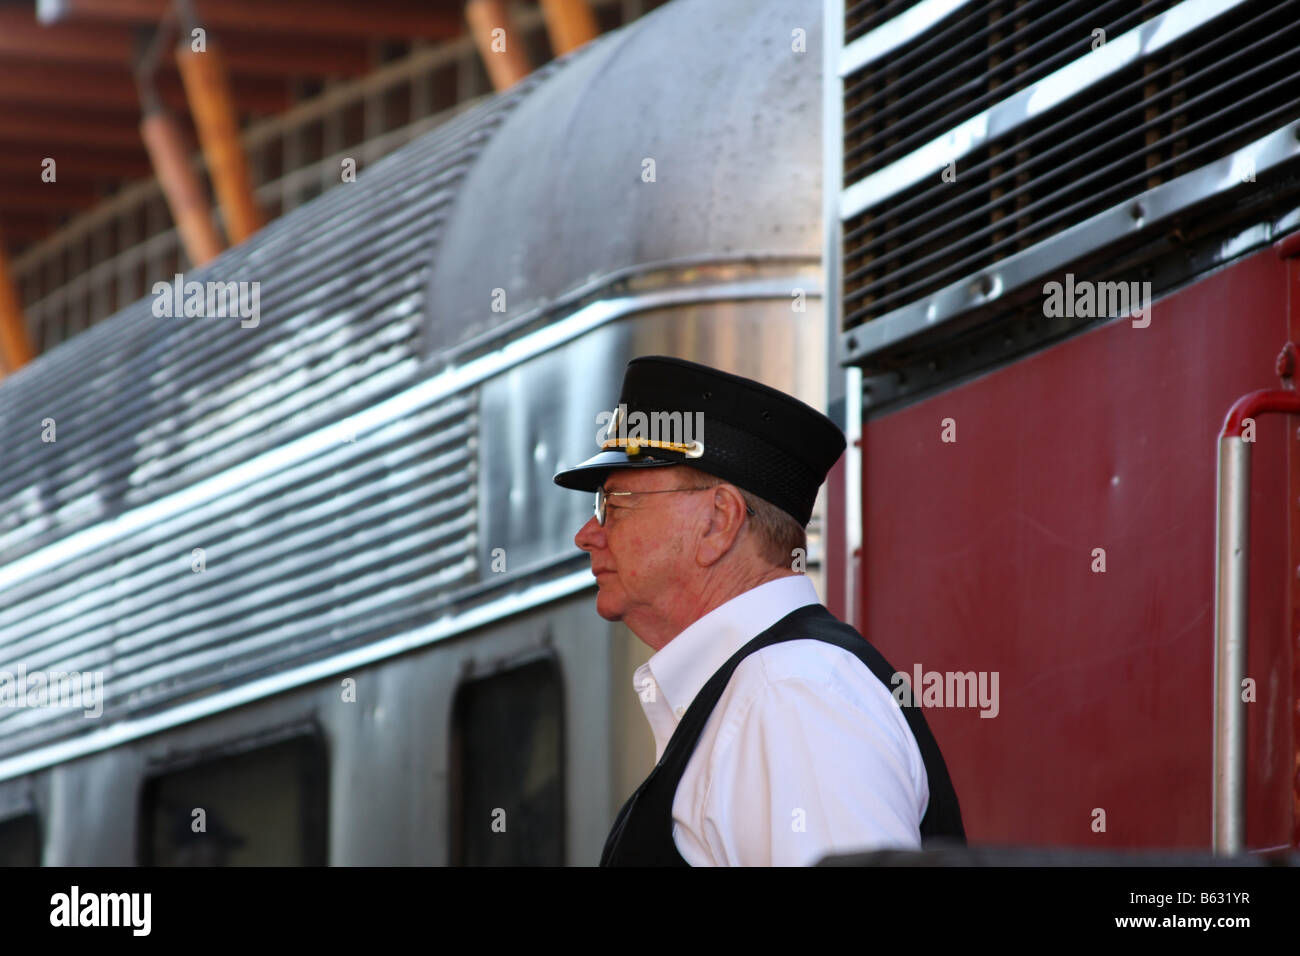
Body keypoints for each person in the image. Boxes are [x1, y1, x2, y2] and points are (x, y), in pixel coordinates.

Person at [554, 355, 964, 866]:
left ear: (717, 522)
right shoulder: (772, 688)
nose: (587, 535)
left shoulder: (789, 691)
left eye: (613, 504)